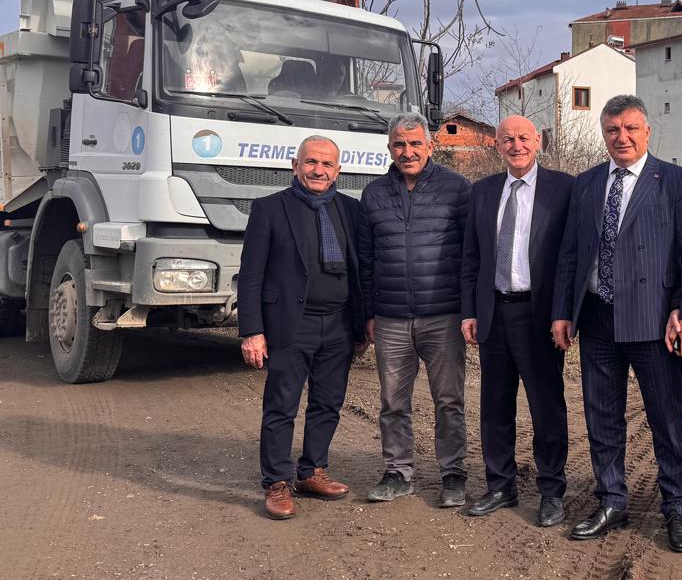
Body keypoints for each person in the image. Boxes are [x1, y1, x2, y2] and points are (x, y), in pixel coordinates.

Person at [551, 94, 682, 552]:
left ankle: (676, 505)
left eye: (631, 128)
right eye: (613, 130)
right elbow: (571, 252)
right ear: (604, 134)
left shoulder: (675, 181)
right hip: (597, 315)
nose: (622, 137)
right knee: (601, 416)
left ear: (647, 131)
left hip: (654, 320)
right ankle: (612, 499)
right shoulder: (587, 183)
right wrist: (563, 311)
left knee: (666, 417)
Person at [237, 136, 367, 520]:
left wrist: (362, 324)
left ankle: (312, 471)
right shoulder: (269, 209)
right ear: (295, 165)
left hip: (339, 323)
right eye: (311, 162)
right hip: (291, 324)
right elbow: (251, 275)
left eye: (327, 164)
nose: (318, 170)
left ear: (338, 171)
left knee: (328, 403)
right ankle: (277, 482)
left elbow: (362, 271)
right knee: (282, 405)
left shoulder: (352, 210)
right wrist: (252, 331)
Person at [459, 116, 574, 526]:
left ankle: (551, 491)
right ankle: (500, 485)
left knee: (546, 406)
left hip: (539, 315)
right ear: (496, 145)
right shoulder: (483, 191)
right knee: (494, 405)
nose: (516, 145)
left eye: (524, 138)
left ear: (538, 141)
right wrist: (470, 310)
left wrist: (563, 312)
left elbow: (570, 257)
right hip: (493, 311)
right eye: (507, 139)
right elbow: (471, 257)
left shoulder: (564, 188)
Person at [357, 114, 472, 507]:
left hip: (444, 315)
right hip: (390, 317)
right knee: (393, 401)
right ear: (390, 148)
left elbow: (470, 255)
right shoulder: (374, 194)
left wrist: (468, 310)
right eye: (399, 145)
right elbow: (366, 259)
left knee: (449, 400)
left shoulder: (456, 189)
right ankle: (397, 472)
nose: (407, 152)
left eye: (415, 144)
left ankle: (453, 474)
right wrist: (369, 313)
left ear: (430, 146)